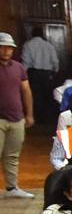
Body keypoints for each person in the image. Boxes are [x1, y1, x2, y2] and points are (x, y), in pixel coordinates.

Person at [0, 32, 36, 197]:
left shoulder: (18, 67)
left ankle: (12, 187)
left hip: (17, 117)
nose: (6, 51)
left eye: (10, 48)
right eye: (3, 47)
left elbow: (26, 91)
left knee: (12, 155)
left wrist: (29, 114)